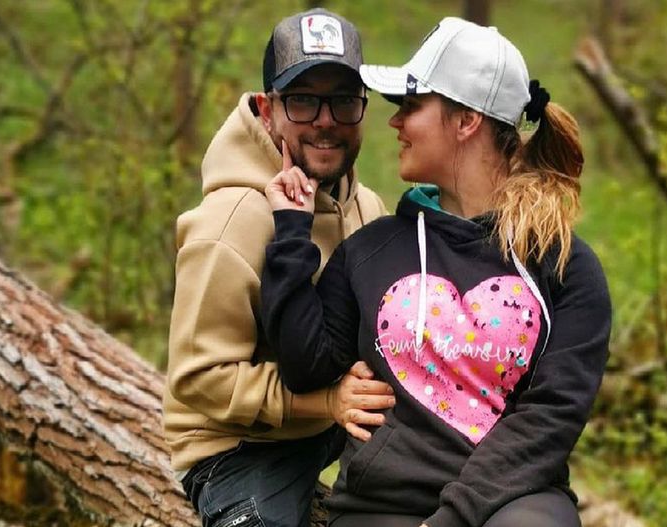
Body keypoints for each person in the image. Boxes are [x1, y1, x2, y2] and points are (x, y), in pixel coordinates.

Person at [261, 17, 612, 527]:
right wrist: (293, 230)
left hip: (515, 500)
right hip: (379, 505)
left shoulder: (563, 266)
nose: (394, 122)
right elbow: (305, 367)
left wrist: (453, 518)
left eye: (411, 106)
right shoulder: (372, 252)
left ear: (466, 120)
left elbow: (552, 416)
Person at [164, 8, 395, 527]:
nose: (325, 120)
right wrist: (326, 402)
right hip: (238, 444)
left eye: (343, 100)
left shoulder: (368, 208)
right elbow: (199, 378)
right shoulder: (229, 225)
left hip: (333, 424)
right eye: (303, 100)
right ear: (268, 111)